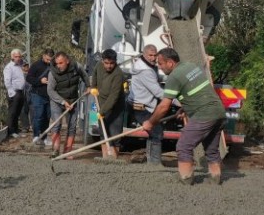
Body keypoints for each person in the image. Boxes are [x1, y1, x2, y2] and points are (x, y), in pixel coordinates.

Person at [142, 47, 227, 186]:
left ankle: (186, 179)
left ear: (170, 63)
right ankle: (215, 179)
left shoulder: (174, 77)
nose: (159, 67)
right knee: (211, 150)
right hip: (218, 112)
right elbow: (196, 91)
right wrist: (184, 108)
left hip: (204, 114)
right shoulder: (190, 66)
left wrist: (150, 123)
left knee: (183, 146)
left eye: (161, 63)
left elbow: (164, 107)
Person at [128, 45, 165, 165]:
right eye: (150, 55)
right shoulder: (145, 71)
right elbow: (158, 92)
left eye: (155, 55)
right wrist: (178, 101)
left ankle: (152, 162)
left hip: (145, 104)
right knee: (156, 132)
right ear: (144, 54)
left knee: (154, 132)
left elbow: (157, 81)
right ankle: (154, 164)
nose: (153, 58)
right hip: (141, 107)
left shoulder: (149, 66)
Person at [46, 51, 88, 156]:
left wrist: (88, 86)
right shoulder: (52, 73)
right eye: (57, 63)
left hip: (73, 100)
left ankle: (67, 152)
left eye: (61, 63)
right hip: (57, 101)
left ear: (67, 61)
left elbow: (84, 75)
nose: (58, 66)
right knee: (57, 124)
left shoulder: (76, 66)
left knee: (72, 126)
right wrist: (63, 102)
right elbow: (50, 91)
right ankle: (55, 150)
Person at [90, 49, 126, 157]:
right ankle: (105, 157)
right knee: (103, 132)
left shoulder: (118, 74)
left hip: (116, 107)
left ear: (115, 62)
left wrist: (102, 111)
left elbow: (113, 97)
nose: (109, 66)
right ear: (102, 61)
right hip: (101, 102)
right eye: (106, 63)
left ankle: (113, 158)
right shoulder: (99, 66)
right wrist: (94, 87)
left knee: (114, 135)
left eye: (111, 63)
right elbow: (94, 74)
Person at [26, 49, 55, 146]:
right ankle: (36, 136)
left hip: (49, 96)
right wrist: (40, 81)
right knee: (38, 116)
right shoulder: (36, 65)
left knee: (47, 117)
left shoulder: (54, 65)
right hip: (37, 94)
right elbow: (29, 78)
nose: (49, 61)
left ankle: (44, 137)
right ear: (43, 56)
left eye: (50, 60)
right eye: (47, 59)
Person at [2, 48, 27, 138]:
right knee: (12, 112)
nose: (18, 58)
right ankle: (11, 131)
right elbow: (7, 81)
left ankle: (16, 130)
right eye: (16, 56)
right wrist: (12, 93)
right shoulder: (9, 67)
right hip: (14, 92)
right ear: (12, 57)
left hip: (20, 91)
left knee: (17, 112)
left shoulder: (20, 66)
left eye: (19, 56)